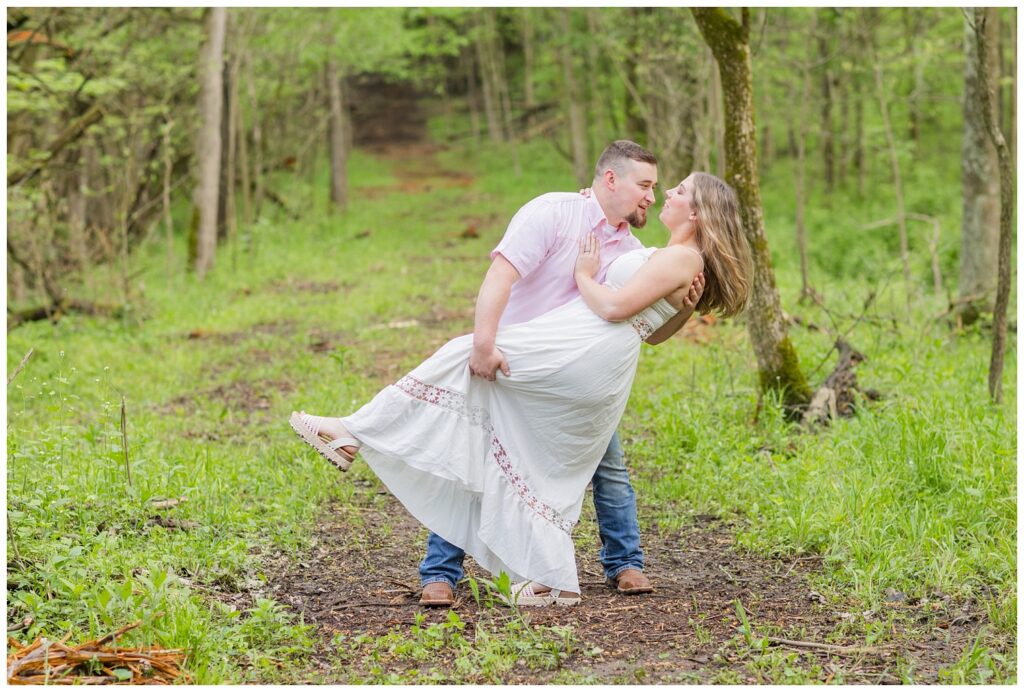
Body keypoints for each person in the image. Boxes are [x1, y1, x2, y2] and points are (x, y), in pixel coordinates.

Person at [290, 160, 753, 606]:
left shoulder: (665, 255)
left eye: (676, 190)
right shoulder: (585, 223)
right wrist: (682, 308)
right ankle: (533, 575)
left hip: (578, 353)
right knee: (523, 456)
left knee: (465, 365)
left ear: (695, 212)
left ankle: (353, 434)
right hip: (567, 348)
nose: (662, 193)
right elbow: (645, 321)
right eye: (650, 185)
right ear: (612, 180)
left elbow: (618, 312)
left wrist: (582, 275)